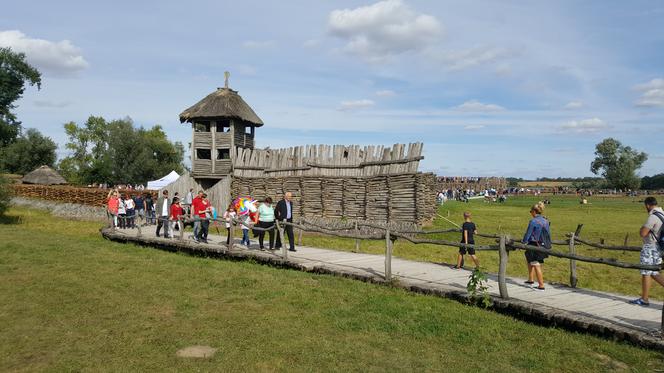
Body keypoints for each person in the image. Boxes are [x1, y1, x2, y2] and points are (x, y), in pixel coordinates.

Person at [629, 197, 664, 306]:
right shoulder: (662, 214)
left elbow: (643, 233)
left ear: (648, 205)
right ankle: (644, 298)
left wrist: (641, 229)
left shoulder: (653, 217)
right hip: (659, 247)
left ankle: (644, 299)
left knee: (646, 272)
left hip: (650, 247)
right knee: (653, 272)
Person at [521, 202, 550, 291]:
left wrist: (524, 242)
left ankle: (541, 285)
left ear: (534, 211)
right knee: (530, 261)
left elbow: (528, 234)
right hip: (543, 244)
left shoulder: (533, 221)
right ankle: (531, 279)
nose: (530, 213)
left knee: (536, 264)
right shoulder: (546, 221)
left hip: (534, 244)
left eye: (531, 211)